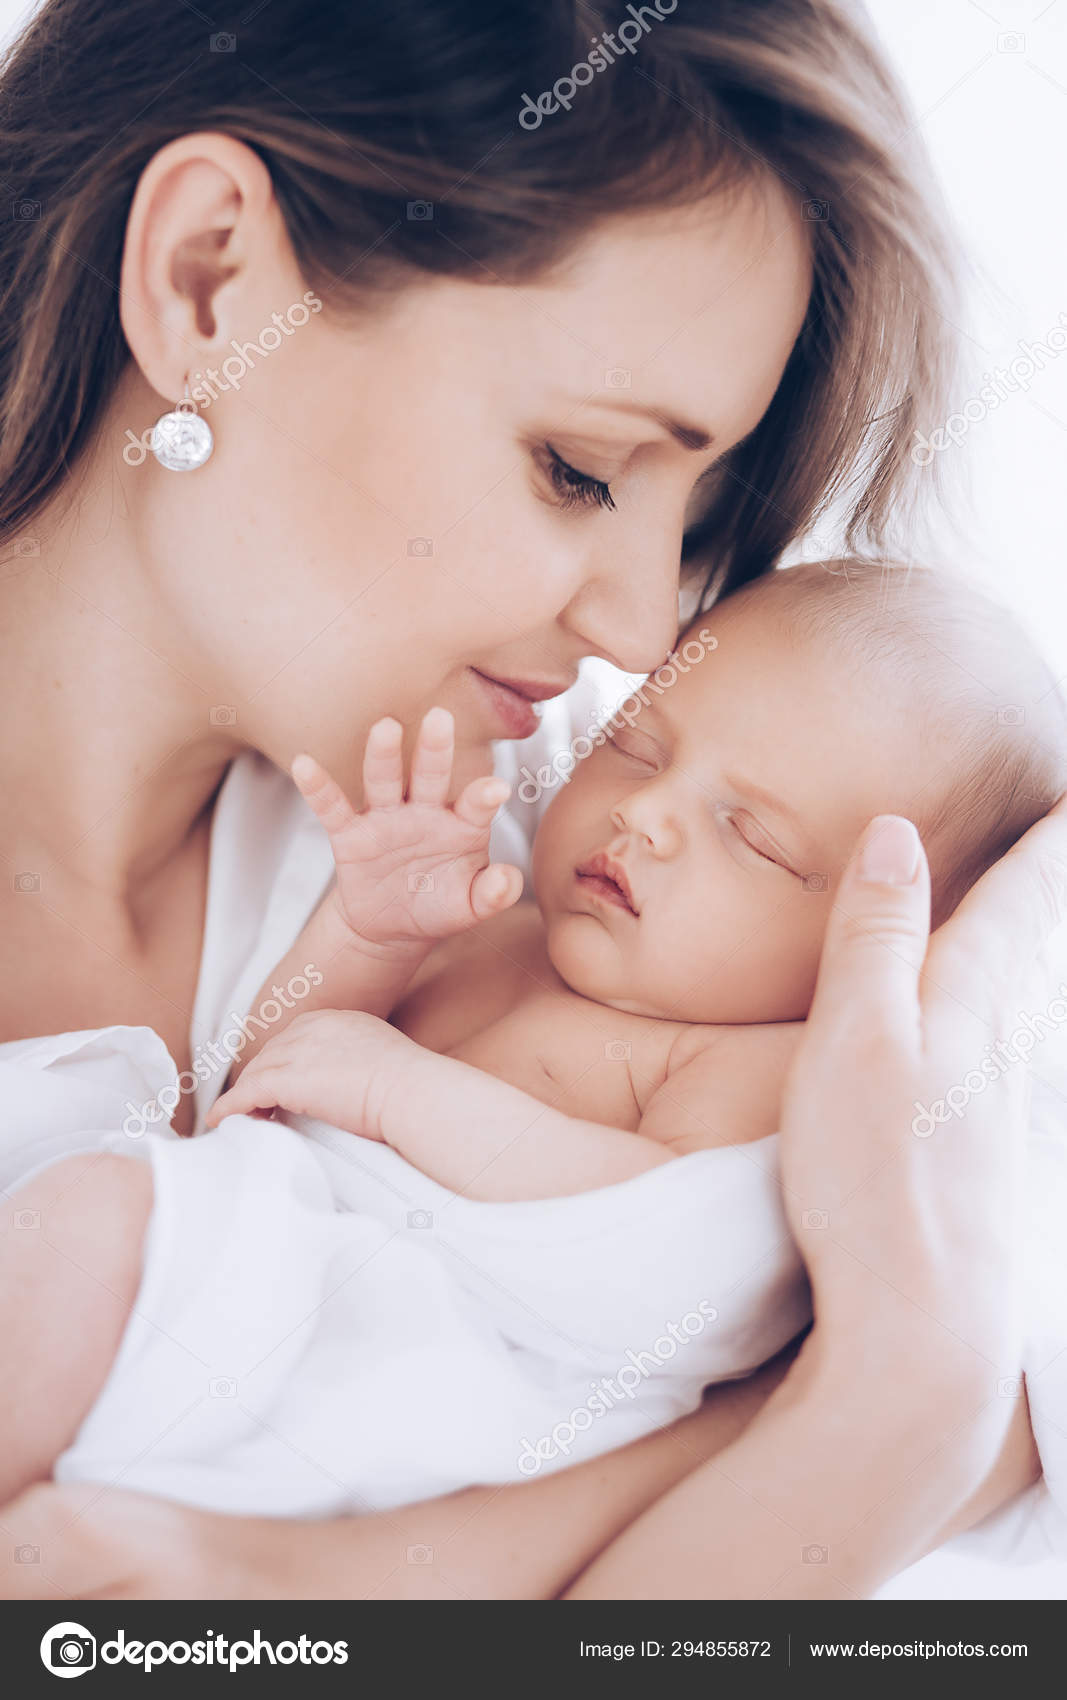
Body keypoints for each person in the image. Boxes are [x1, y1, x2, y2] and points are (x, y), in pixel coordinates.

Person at [0, 0, 1062, 1599]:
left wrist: (904, 1392)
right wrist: (852, 1423)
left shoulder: (579, 844)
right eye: (579, 466)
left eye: (696, 516)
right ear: (209, 278)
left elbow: (991, 1408)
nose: (644, 638)